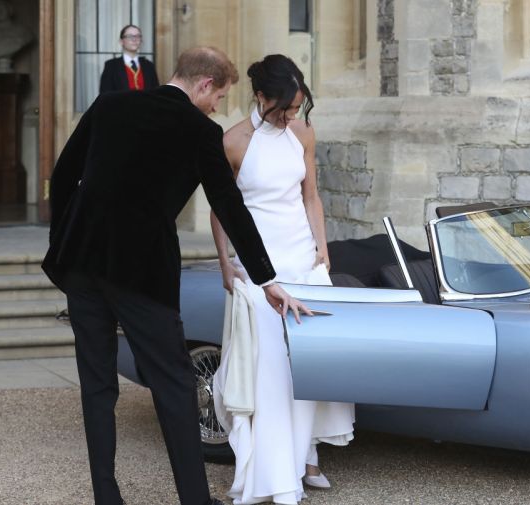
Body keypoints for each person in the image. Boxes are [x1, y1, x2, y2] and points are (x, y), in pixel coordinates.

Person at [42, 46, 309, 505]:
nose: (218, 106)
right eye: (219, 97)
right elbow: (229, 206)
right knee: (176, 386)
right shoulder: (200, 130)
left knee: (98, 386)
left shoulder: (109, 105)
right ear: (205, 84)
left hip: (83, 265)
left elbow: (64, 177)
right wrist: (268, 279)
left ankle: (106, 497)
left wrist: (65, 244)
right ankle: (194, 500)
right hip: (142, 273)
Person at [211, 54, 355, 505]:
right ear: (261, 97)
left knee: (311, 363)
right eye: (285, 108)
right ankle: (274, 473)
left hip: (302, 260)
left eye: (297, 107)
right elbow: (221, 208)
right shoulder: (233, 142)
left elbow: (310, 194)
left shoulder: (303, 133)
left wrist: (323, 247)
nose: (292, 115)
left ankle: (305, 455)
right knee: (271, 370)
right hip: (260, 267)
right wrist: (224, 262)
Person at [99, 24, 159, 93]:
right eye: (130, 36)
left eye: (138, 36)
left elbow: (156, 93)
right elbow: (105, 94)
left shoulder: (149, 66)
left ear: (141, 41)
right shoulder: (111, 66)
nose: (134, 39)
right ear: (121, 41)